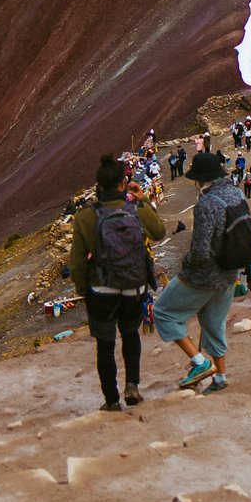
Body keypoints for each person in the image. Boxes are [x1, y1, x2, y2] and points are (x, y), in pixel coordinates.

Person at [71, 154, 166, 410]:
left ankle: (111, 401)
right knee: (130, 335)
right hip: (134, 286)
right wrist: (142, 199)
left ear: (98, 185)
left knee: (105, 345)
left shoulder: (85, 217)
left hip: (101, 289)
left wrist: (84, 290)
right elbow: (159, 232)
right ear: (123, 183)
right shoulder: (135, 209)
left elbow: (77, 262)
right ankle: (132, 385)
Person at [152, 151, 248, 395]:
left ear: (201, 178)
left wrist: (186, 267)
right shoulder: (236, 193)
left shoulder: (206, 203)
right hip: (229, 272)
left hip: (203, 276)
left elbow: (201, 249)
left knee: (163, 311)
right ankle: (220, 377)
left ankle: (200, 363)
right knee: (214, 325)